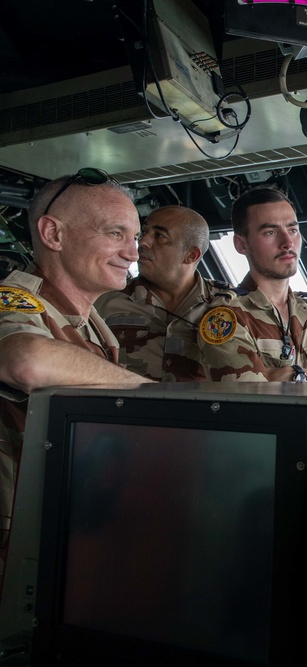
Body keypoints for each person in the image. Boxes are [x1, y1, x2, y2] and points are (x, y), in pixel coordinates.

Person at [0, 168, 154, 573]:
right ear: (53, 235)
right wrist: (150, 392)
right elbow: (26, 360)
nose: (133, 253)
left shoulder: (93, 326)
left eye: (135, 237)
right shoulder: (13, 300)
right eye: (115, 233)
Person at [198, 186, 307, 382]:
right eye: (270, 232)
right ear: (241, 244)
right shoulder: (225, 317)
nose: (287, 242)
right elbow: (252, 391)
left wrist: (294, 376)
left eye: (293, 229)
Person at [96, 205, 232, 381]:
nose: (143, 242)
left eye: (159, 236)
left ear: (191, 255)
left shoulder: (231, 305)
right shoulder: (105, 301)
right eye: (144, 233)